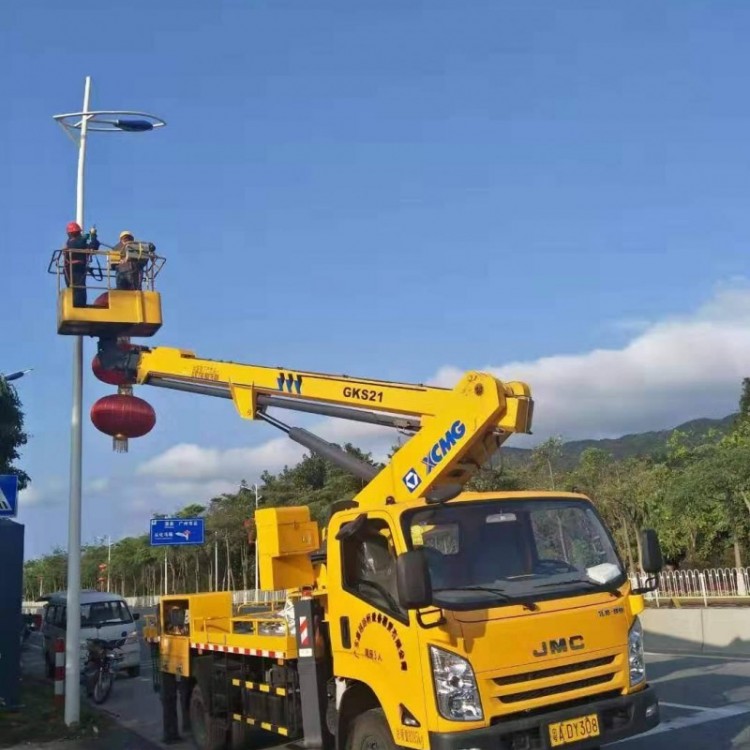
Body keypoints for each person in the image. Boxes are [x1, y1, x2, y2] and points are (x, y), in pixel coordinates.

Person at [64, 221, 100, 307]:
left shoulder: (69, 243)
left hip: (70, 269)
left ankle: (76, 304)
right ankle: (79, 305)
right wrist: (93, 235)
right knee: (79, 290)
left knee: (74, 289)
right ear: (77, 232)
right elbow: (93, 247)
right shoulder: (78, 243)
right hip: (77, 269)